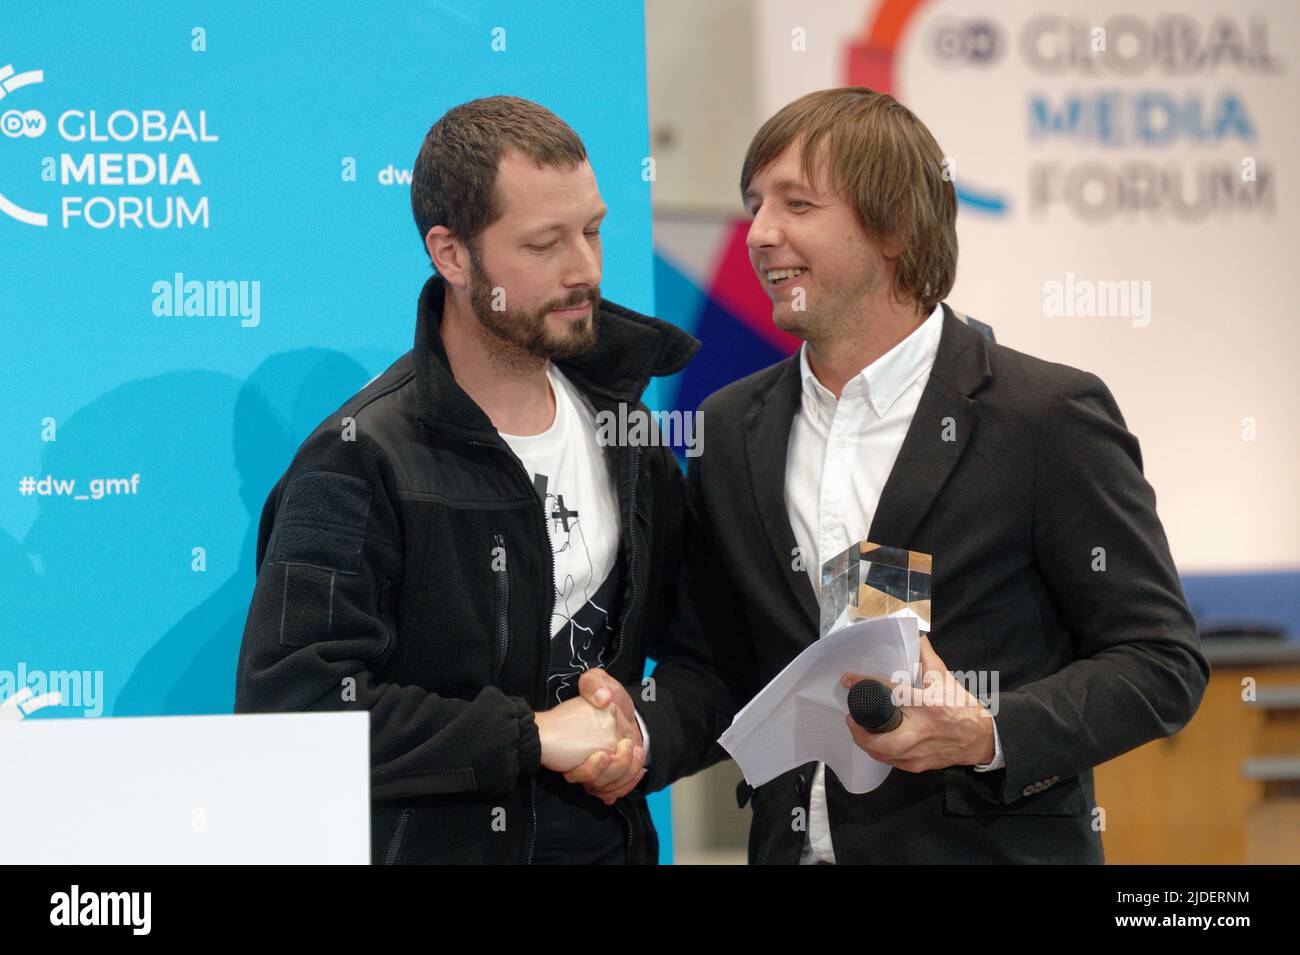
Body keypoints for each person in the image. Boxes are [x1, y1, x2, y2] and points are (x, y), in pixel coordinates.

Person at [571, 87, 1209, 864]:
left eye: (797, 203)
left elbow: (1159, 661)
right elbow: (718, 664)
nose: (761, 233)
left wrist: (987, 730)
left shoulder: (1044, 415)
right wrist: (633, 732)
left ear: (897, 228)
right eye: (754, 203)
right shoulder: (732, 426)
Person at [234, 95, 696, 864]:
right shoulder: (358, 457)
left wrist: (643, 734)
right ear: (451, 255)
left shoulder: (630, 436)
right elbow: (296, 709)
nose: (584, 269)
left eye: (593, 230)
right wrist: (530, 736)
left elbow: (712, 655)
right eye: (545, 243)